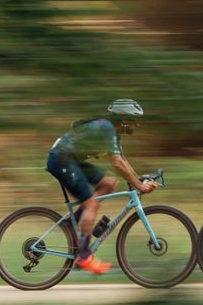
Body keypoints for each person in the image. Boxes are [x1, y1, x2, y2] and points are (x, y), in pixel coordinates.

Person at [46, 98, 157, 275]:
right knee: (91, 204)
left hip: (71, 159)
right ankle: (83, 256)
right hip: (61, 160)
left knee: (108, 183)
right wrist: (138, 185)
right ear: (124, 119)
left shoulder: (113, 131)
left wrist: (139, 180)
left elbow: (122, 160)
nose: (137, 124)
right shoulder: (107, 128)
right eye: (135, 120)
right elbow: (117, 163)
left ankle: (74, 221)